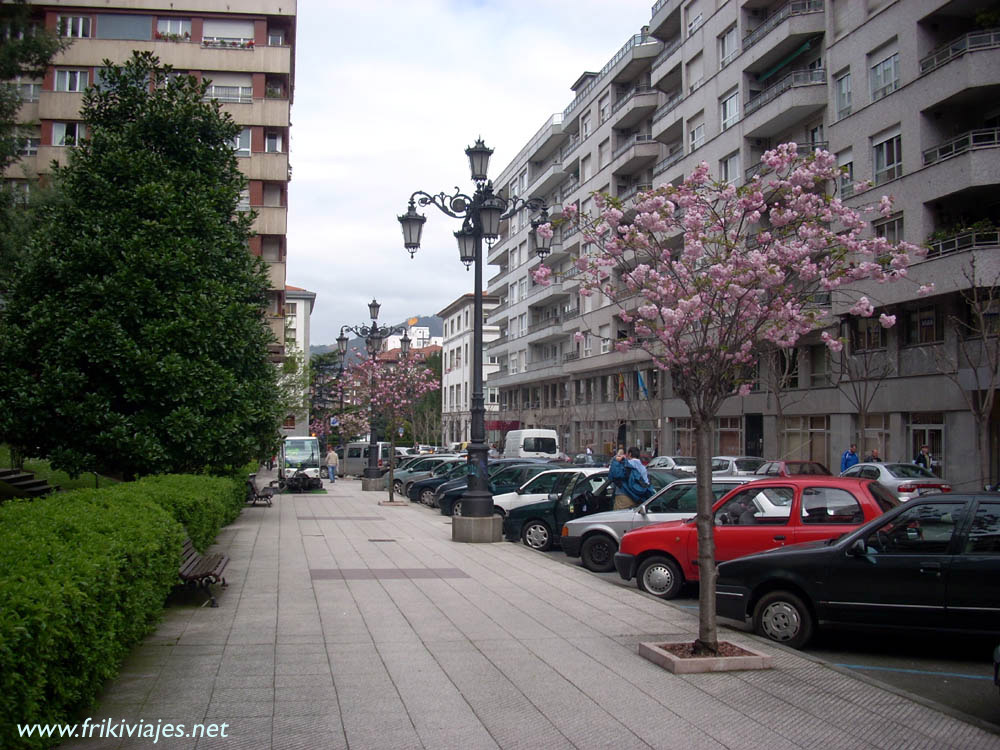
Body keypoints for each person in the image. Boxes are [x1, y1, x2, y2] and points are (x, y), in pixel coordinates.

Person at [608, 446, 653, 510]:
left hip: (624, 496)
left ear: (629, 454)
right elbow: (645, 483)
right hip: (639, 498)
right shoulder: (643, 468)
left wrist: (616, 459)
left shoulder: (626, 464)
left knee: (620, 518)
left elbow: (613, 475)